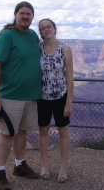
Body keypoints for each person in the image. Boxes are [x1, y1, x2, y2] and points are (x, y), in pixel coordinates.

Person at [0, 1, 42, 190]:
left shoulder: (33, 35)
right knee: (5, 134)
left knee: (22, 132)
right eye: (22, 13)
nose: (25, 16)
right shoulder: (6, 35)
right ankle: (0, 172)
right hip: (10, 95)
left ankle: (20, 165)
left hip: (31, 95)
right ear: (15, 14)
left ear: (32, 17)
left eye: (29, 14)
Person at [37, 18, 73, 183]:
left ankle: (63, 168)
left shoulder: (65, 49)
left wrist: (69, 102)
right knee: (43, 131)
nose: (46, 29)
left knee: (63, 133)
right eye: (43, 28)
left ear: (54, 28)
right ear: (41, 32)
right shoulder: (38, 48)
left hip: (61, 97)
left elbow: (70, 78)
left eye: (48, 26)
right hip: (42, 97)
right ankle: (44, 166)